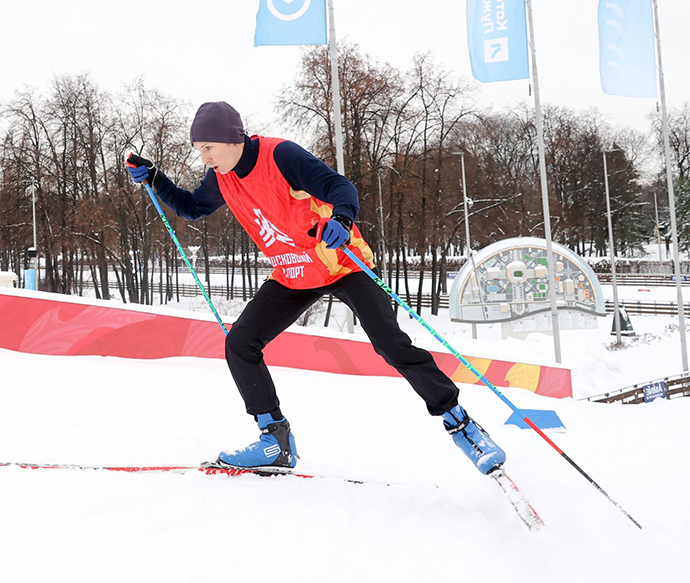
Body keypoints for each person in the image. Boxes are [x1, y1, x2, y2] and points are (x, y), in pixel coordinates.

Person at [126, 101, 505, 475]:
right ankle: (274, 440)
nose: (204, 157)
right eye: (199, 150)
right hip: (294, 273)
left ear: (232, 138)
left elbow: (339, 186)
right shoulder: (221, 176)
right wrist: (156, 179)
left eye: (208, 147)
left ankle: (461, 425)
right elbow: (193, 207)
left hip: (340, 262)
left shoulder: (280, 155)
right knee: (240, 342)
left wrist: (342, 218)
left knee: (391, 344)